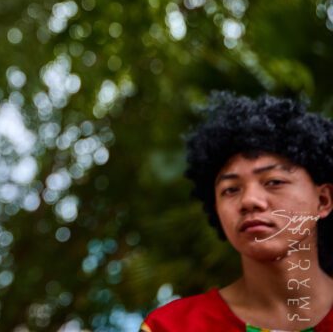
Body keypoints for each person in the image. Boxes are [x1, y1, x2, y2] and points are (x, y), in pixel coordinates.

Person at [141, 93, 333, 332]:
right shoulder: (172, 326)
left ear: (324, 200)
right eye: (230, 189)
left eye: (274, 182)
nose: (249, 201)